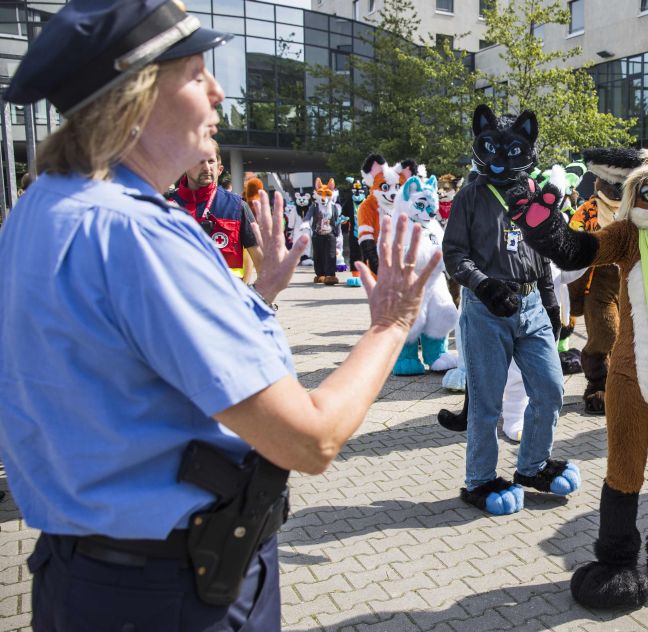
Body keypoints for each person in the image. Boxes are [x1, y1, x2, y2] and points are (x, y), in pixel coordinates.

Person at [0, 2, 440, 629]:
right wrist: (390, 324)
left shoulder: (43, 207)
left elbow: (119, 362)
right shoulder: (135, 232)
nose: (218, 90)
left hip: (88, 579)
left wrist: (255, 300)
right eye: (195, 73)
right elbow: (310, 439)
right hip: (175, 591)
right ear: (135, 98)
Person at [442, 104, 580, 516]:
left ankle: (532, 466)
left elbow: (539, 251)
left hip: (532, 304)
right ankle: (480, 479)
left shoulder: (532, 197)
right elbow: (454, 255)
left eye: (512, 151)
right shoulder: (470, 196)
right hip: (486, 310)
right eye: (493, 150)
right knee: (487, 402)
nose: (501, 160)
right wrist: (483, 285)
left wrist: (550, 299)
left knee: (550, 387)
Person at [566, 175, 623, 414]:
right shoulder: (588, 211)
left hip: (633, 280)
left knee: (630, 336)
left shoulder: (637, 208)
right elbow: (571, 244)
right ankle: (598, 382)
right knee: (606, 332)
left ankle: (623, 385)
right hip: (597, 281)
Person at [167, 140, 261, 282]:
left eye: (211, 161)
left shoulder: (237, 207)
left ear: (219, 168)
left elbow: (262, 265)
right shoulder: (163, 205)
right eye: (199, 161)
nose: (206, 167)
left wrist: (254, 299)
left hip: (225, 301)